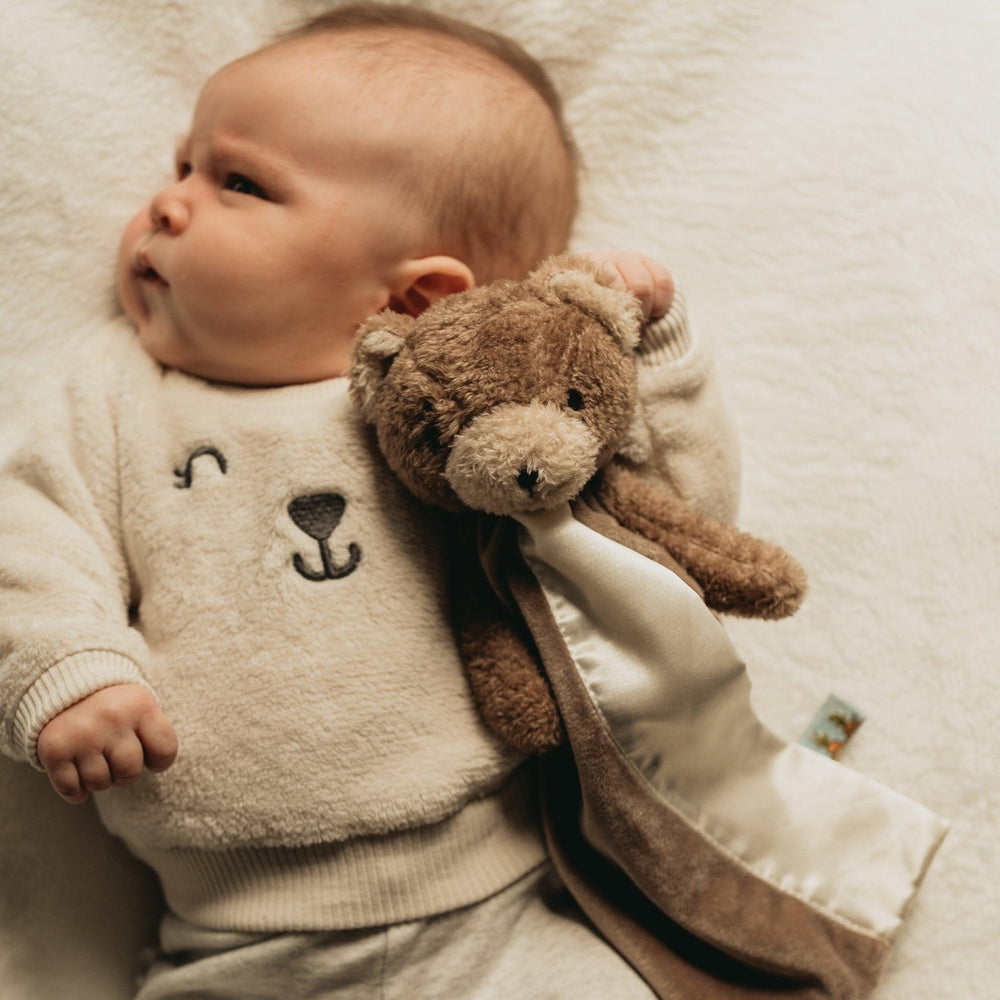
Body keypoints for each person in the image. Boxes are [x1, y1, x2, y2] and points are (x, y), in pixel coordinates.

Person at [0, 4, 739, 996]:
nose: (168, 203)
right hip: (228, 940)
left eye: (238, 182)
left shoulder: (458, 415)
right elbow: (29, 544)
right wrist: (69, 674)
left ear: (414, 300)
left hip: (503, 911)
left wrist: (658, 366)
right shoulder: (114, 395)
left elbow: (662, 542)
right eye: (182, 166)